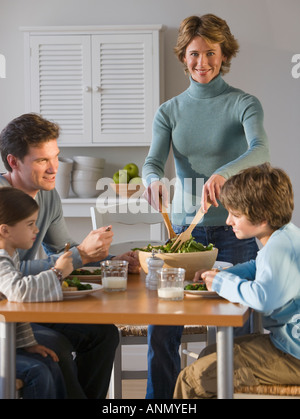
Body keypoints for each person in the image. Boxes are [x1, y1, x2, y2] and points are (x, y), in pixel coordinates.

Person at [142, 14, 270, 398]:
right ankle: (160, 402)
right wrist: (151, 182)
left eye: (211, 53)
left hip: (236, 231)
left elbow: (260, 149)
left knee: (238, 329)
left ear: (224, 53)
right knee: (162, 326)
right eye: (194, 54)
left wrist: (224, 173)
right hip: (185, 232)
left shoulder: (244, 103)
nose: (202, 63)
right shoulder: (169, 111)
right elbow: (152, 162)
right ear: (184, 56)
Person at [0, 112, 138, 398]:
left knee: (104, 334)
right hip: (8, 308)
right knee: (58, 347)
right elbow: (10, 276)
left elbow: (62, 248)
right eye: (42, 160)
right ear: (13, 162)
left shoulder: (47, 194)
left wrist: (110, 261)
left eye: (56, 157)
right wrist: (75, 258)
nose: (54, 169)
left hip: (30, 302)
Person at [174, 163, 300, 398]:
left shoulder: (279, 248)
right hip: (289, 345)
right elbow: (256, 267)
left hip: (293, 355)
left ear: (262, 217)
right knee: (209, 355)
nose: (229, 221)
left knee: (190, 380)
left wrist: (220, 284)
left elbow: (263, 299)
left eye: (236, 215)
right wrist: (223, 275)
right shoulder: (282, 236)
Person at [0, 187, 71, 398]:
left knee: (49, 362)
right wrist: (58, 273)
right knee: (37, 372)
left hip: (5, 342)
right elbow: (19, 292)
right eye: (30, 224)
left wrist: (28, 344)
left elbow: (13, 308)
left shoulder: (10, 257)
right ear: (5, 230)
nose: (37, 230)